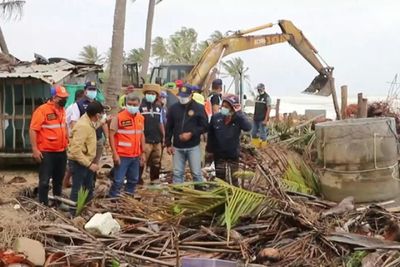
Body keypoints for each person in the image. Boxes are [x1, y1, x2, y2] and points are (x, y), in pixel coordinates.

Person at [29, 85, 69, 206]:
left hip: (61, 151)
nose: (64, 99)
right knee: (45, 181)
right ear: (54, 97)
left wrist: (67, 141)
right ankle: (43, 204)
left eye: (65, 97)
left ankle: (58, 202)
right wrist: (35, 149)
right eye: (61, 97)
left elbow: (64, 127)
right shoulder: (42, 110)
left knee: (58, 180)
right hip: (47, 152)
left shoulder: (62, 110)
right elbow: (33, 129)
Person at [165, 84, 208, 184]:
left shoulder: (199, 108)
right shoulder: (173, 108)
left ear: (191, 95)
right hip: (177, 147)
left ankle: (199, 195)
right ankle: (178, 198)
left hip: (193, 147)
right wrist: (168, 144)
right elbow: (169, 127)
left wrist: (191, 133)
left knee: (196, 173)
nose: (183, 98)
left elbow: (205, 126)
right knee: (177, 174)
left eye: (185, 96)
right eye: (181, 96)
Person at [206, 94, 252, 186]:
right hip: (219, 155)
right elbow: (211, 136)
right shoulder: (216, 118)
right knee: (220, 180)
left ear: (232, 108)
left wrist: (239, 113)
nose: (223, 108)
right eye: (223, 106)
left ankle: (234, 196)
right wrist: (209, 152)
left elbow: (248, 127)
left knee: (234, 179)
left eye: (226, 107)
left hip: (233, 154)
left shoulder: (238, 119)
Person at [68, 101, 104, 211]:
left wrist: (103, 122)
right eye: (101, 115)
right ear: (97, 115)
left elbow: (92, 128)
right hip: (80, 163)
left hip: (86, 161)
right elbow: (75, 151)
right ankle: (73, 212)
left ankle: (86, 209)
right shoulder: (83, 126)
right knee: (77, 189)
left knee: (88, 187)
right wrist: (89, 165)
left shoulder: (88, 121)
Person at [109, 93, 145, 197]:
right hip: (122, 155)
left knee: (133, 179)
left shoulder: (140, 118)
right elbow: (111, 135)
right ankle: (113, 199)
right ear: (126, 104)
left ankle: (128, 198)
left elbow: (141, 135)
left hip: (135, 155)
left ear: (139, 104)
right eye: (130, 104)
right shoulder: (119, 117)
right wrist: (114, 153)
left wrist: (143, 153)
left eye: (134, 104)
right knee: (118, 180)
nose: (132, 106)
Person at [69, 81, 109, 166]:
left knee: (95, 164)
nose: (93, 91)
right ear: (85, 91)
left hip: (98, 139)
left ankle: (92, 179)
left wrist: (107, 138)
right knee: (82, 165)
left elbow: (104, 122)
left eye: (94, 89)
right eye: (90, 89)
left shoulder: (99, 104)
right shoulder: (78, 105)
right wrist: (77, 139)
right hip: (84, 141)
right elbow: (73, 123)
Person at [138, 84, 165, 184]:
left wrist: (164, 136)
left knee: (156, 161)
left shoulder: (159, 108)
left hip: (157, 139)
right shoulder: (140, 107)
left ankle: (154, 179)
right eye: (148, 93)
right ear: (145, 94)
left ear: (156, 95)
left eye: (153, 94)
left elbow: (160, 122)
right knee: (142, 161)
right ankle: (138, 180)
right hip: (145, 139)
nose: (150, 95)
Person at [64, 89, 84, 188]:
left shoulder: (79, 108)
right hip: (73, 139)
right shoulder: (72, 108)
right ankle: (65, 182)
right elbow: (70, 124)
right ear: (79, 98)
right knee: (73, 163)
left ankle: (67, 182)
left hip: (77, 139)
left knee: (75, 163)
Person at [251, 83, 271, 148]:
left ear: (262, 89)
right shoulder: (258, 97)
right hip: (256, 118)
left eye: (259, 89)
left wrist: (266, 119)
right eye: (258, 89)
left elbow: (268, 109)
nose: (258, 90)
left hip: (262, 119)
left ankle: (263, 148)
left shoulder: (267, 97)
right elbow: (256, 107)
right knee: (253, 133)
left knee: (262, 134)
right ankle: (255, 146)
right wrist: (253, 116)